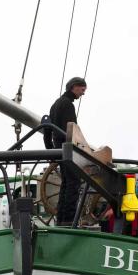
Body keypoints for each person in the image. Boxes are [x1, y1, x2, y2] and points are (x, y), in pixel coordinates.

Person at [47, 77, 87, 226]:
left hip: (58, 149)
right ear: (74, 87)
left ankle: (61, 220)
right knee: (73, 183)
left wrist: (50, 151)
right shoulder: (68, 105)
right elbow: (72, 131)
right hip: (67, 149)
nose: (82, 94)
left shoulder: (55, 104)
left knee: (65, 184)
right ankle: (69, 221)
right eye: (82, 90)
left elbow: (47, 129)